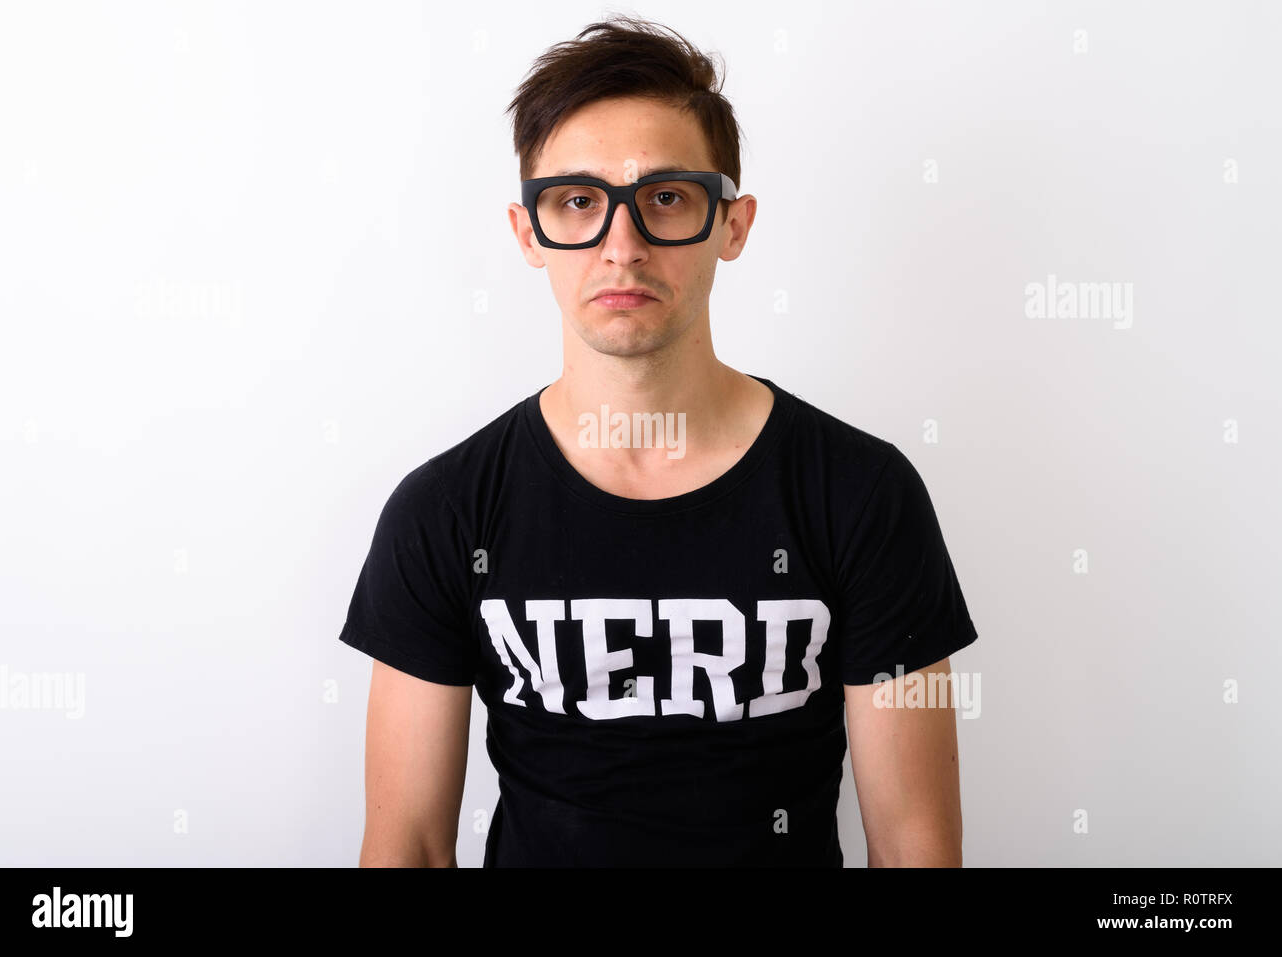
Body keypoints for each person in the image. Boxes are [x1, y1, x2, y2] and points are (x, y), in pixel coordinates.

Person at [338, 14, 979, 867]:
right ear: (528, 231)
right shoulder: (445, 512)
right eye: (577, 201)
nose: (622, 245)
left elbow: (912, 849)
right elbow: (408, 845)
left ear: (733, 224)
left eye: (665, 199)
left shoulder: (860, 493)